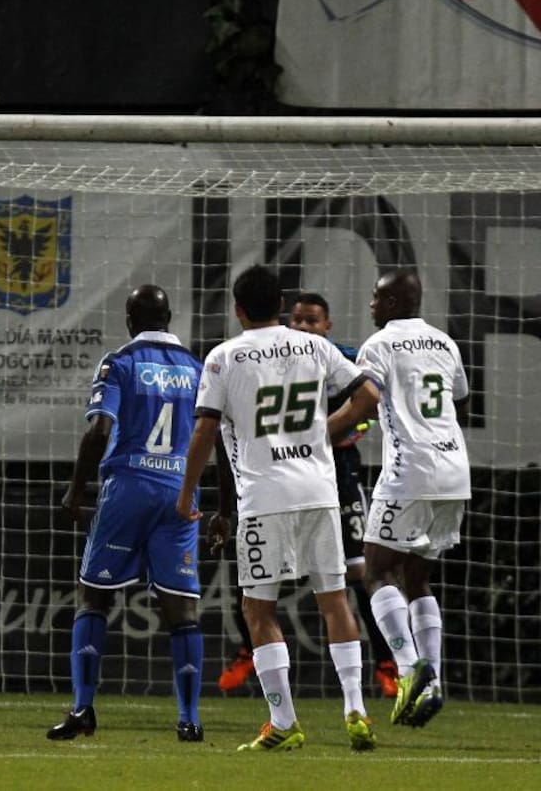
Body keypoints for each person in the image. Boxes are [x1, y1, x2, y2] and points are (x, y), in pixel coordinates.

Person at [176, 265, 380, 752]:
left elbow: (206, 432)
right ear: (282, 303)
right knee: (334, 599)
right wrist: (323, 432)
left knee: (257, 608)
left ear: (239, 309)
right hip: (318, 491)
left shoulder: (225, 357)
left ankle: (284, 720)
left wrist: (186, 496)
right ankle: (356, 707)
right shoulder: (314, 345)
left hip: (264, 497)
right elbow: (369, 396)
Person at [216, 293, 398, 700]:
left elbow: (370, 406)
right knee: (254, 579)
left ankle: (387, 664)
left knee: (356, 573)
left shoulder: (338, 359)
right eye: (296, 319)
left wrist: (323, 435)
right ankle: (250, 649)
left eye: (312, 321)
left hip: (337, 477)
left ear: (327, 325)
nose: (302, 327)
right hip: (278, 477)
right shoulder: (269, 358)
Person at [47, 285, 206, 743]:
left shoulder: (119, 363)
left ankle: (82, 709)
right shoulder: (196, 368)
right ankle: (189, 718)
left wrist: (77, 489)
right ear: (170, 317)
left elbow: (100, 430)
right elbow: (212, 437)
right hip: (180, 490)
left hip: (129, 487)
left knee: (94, 596)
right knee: (182, 608)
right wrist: (223, 508)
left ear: (129, 321)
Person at [352, 270, 471, 728]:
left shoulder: (379, 344)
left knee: (376, 570)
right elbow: (461, 403)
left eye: (378, 297)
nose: (372, 305)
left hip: (410, 470)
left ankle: (407, 671)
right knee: (417, 577)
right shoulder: (444, 343)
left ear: (396, 303)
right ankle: (435, 680)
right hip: (453, 469)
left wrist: (329, 430)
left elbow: (364, 399)